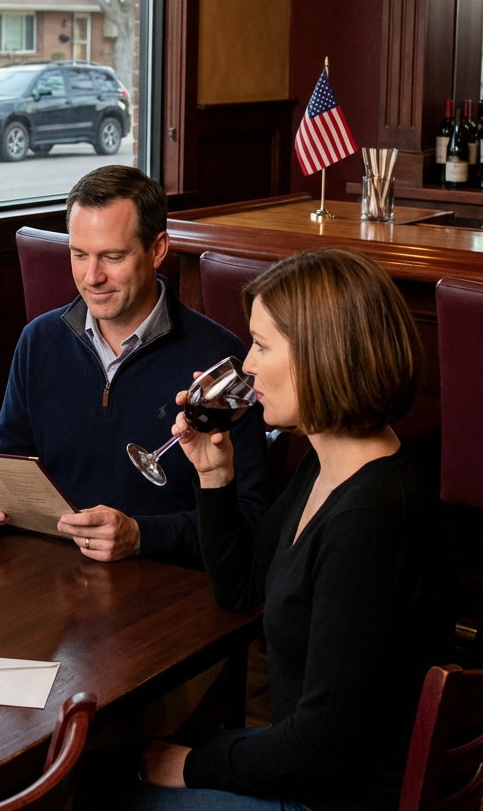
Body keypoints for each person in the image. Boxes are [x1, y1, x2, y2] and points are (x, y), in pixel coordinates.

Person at [125, 249, 449, 811]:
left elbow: (318, 747)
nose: (245, 365)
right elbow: (239, 589)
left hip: (329, 795)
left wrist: (192, 765)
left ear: (323, 357)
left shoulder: (368, 520)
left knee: (109, 794)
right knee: (107, 765)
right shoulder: (328, 466)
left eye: (262, 345)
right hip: (303, 767)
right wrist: (214, 474)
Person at [0, 166, 267, 566]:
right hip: (52, 576)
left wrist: (140, 536)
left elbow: (249, 516)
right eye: (79, 254)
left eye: (112, 257)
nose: (91, 277)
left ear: (158, 249)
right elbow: (7, 467)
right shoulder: (38, 341)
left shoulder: (219, 358)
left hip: (166, 585)